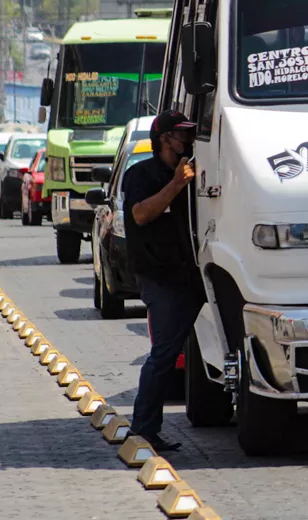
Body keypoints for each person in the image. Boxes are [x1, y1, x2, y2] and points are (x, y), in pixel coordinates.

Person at [124, 110, 202, 452]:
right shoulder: (141, 174)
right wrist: (176, 185)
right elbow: (141, 214)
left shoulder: (190, 173)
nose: (187, 139)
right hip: (160, 276)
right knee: (164, 354)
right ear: (164, 139)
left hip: (190, 272)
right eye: (181, 134)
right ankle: (142, 429)